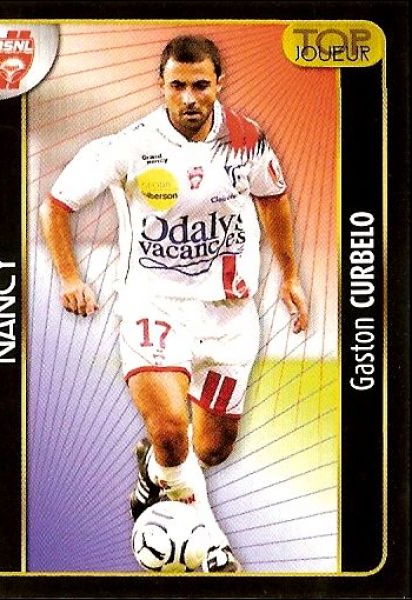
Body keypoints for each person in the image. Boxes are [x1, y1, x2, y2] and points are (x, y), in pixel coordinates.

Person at [40, 34, 308, 572]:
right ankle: (212, 547)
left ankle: (155, 474)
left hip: (230, 318)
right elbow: (56, 206)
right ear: (161, 85)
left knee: (210, 449)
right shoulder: (130, 146)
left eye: (200, 85)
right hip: (155, 307)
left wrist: (291, 277)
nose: (189, 97)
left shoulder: (247, 141)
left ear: (219, 84)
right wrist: (70, 276)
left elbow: (273, 199)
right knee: (168, 431)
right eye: (177, 85)